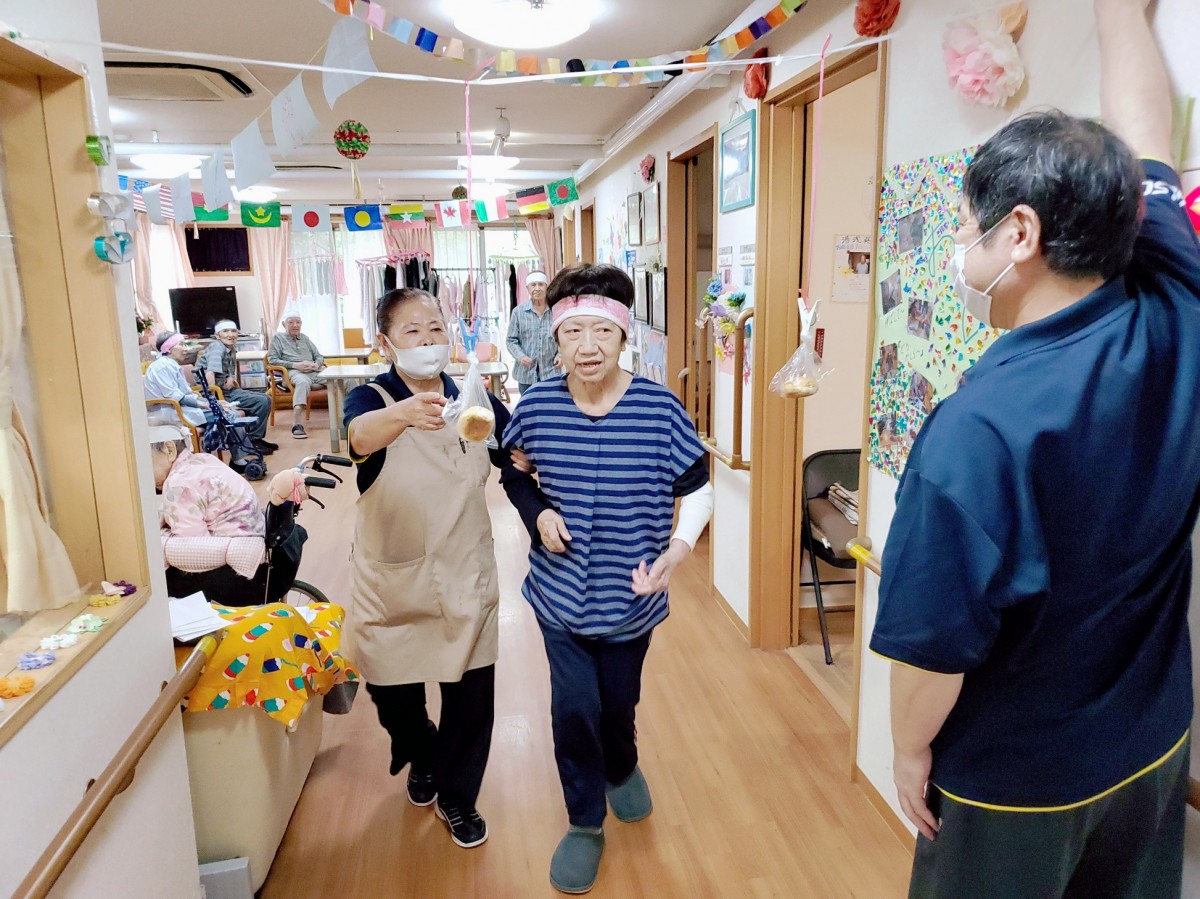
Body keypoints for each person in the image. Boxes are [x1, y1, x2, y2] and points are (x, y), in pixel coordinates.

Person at [869, 2, 1200, 896]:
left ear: (1018, 233)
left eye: (967, 226)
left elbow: (934, 652)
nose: (957, 249)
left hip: (1018, 782)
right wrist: (1119, 14)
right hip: (1153, 742)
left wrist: (906, 749)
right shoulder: (1177, 291)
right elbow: (1148, 132)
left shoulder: (976, 430)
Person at [500, 263, 714, 894]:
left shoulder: (659, 409)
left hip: (631, 593)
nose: (587, 346)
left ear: (624, 336)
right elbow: (514, 473)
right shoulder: (537, 406)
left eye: (601, 331)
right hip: (559, 593)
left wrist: (678, 551)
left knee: (618, 702)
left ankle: (622, 765)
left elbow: (697, 487)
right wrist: (538, 514)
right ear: (555, 339)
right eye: (572, 333)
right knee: (575, 708)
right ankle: (585, 822)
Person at [342, 287, 535, 850]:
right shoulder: (371, 398)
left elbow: (511, 452)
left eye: (436, 329)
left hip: (464, 573)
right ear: (385, 343)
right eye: (412, 331)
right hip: (393, 578)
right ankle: (421, 750)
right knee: (392, 692)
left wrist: (527, 463)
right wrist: (403, 414)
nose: (428, 341)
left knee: (472, 698)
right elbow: (359, 437)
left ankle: (457, 795)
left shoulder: (473, 398)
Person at [151, 425, 308, 605]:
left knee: (163, 575)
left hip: (242, 572)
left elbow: (192, 545)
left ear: (169, 449)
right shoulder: (204, 459)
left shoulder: (179, 484)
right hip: (261, 546)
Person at [145, 330, 251, 469]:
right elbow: (174, 396)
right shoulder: (161, 367)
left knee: (227, 411)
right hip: (169, 411)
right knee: (228, 415)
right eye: (181, 345)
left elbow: (186, 393)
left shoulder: (170, 365)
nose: (186, 349)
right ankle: (238, 460)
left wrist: (213, 402)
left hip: (180, 408)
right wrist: (204, 405)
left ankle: (236, 456)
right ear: (168, 348)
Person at [198, 319, 276, 457]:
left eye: (233, 331)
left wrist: (230, 377)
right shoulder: (217, 348)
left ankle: (255, 439)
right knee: (262, 401)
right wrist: (213, 399)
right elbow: (210, 373)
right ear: (217, 335)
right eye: (225, 331)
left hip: (227, 390)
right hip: (218, 393)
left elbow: (226, 369)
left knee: (265, 397)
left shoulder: (231, 349)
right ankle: (252, 441)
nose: (231, 334)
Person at [267, 307, 327, 440]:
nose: (295, 325)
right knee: (303, 382)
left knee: (343, 379)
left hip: (314, 372)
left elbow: (319, 356)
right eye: (291, 322)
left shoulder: (304, 338)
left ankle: (355, 416)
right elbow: (272, 360)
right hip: (293, 372)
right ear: (284, 324)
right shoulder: (278, 338)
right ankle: (297, 424)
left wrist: (316, 364)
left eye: (298, 322)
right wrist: (295, 365)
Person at [506, 270, 561, 394]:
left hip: (551, 371)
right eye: (533, 285)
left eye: (541, 284)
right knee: (528, 404)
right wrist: (520, 356)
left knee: (550, 403)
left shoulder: (556, 311)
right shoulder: (518, 312)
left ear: (547, 287)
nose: (537, 288)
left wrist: (560, 355)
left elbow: (564, 337)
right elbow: (511, 340)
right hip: (526, 374)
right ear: (527, 288)